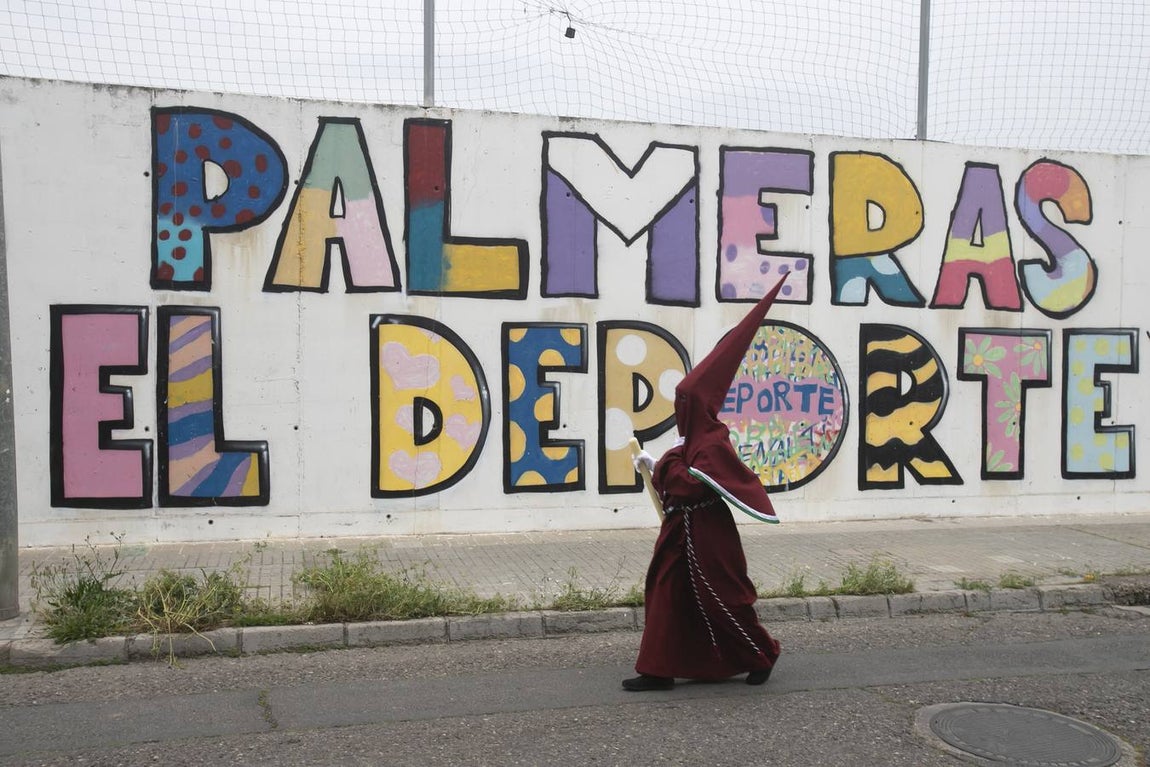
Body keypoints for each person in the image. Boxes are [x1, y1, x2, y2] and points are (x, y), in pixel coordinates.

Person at [623, 278, 785, 692]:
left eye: (684, 403)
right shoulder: (691, 439)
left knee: (724, 598)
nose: (680, 409)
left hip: (707, 536)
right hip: (680, 532)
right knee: (665, 596)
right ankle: (657, 669)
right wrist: (666, 462)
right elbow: (683, 476)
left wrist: (660, 465)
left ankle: (761, 654)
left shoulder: (712, 439)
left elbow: (694, 485)